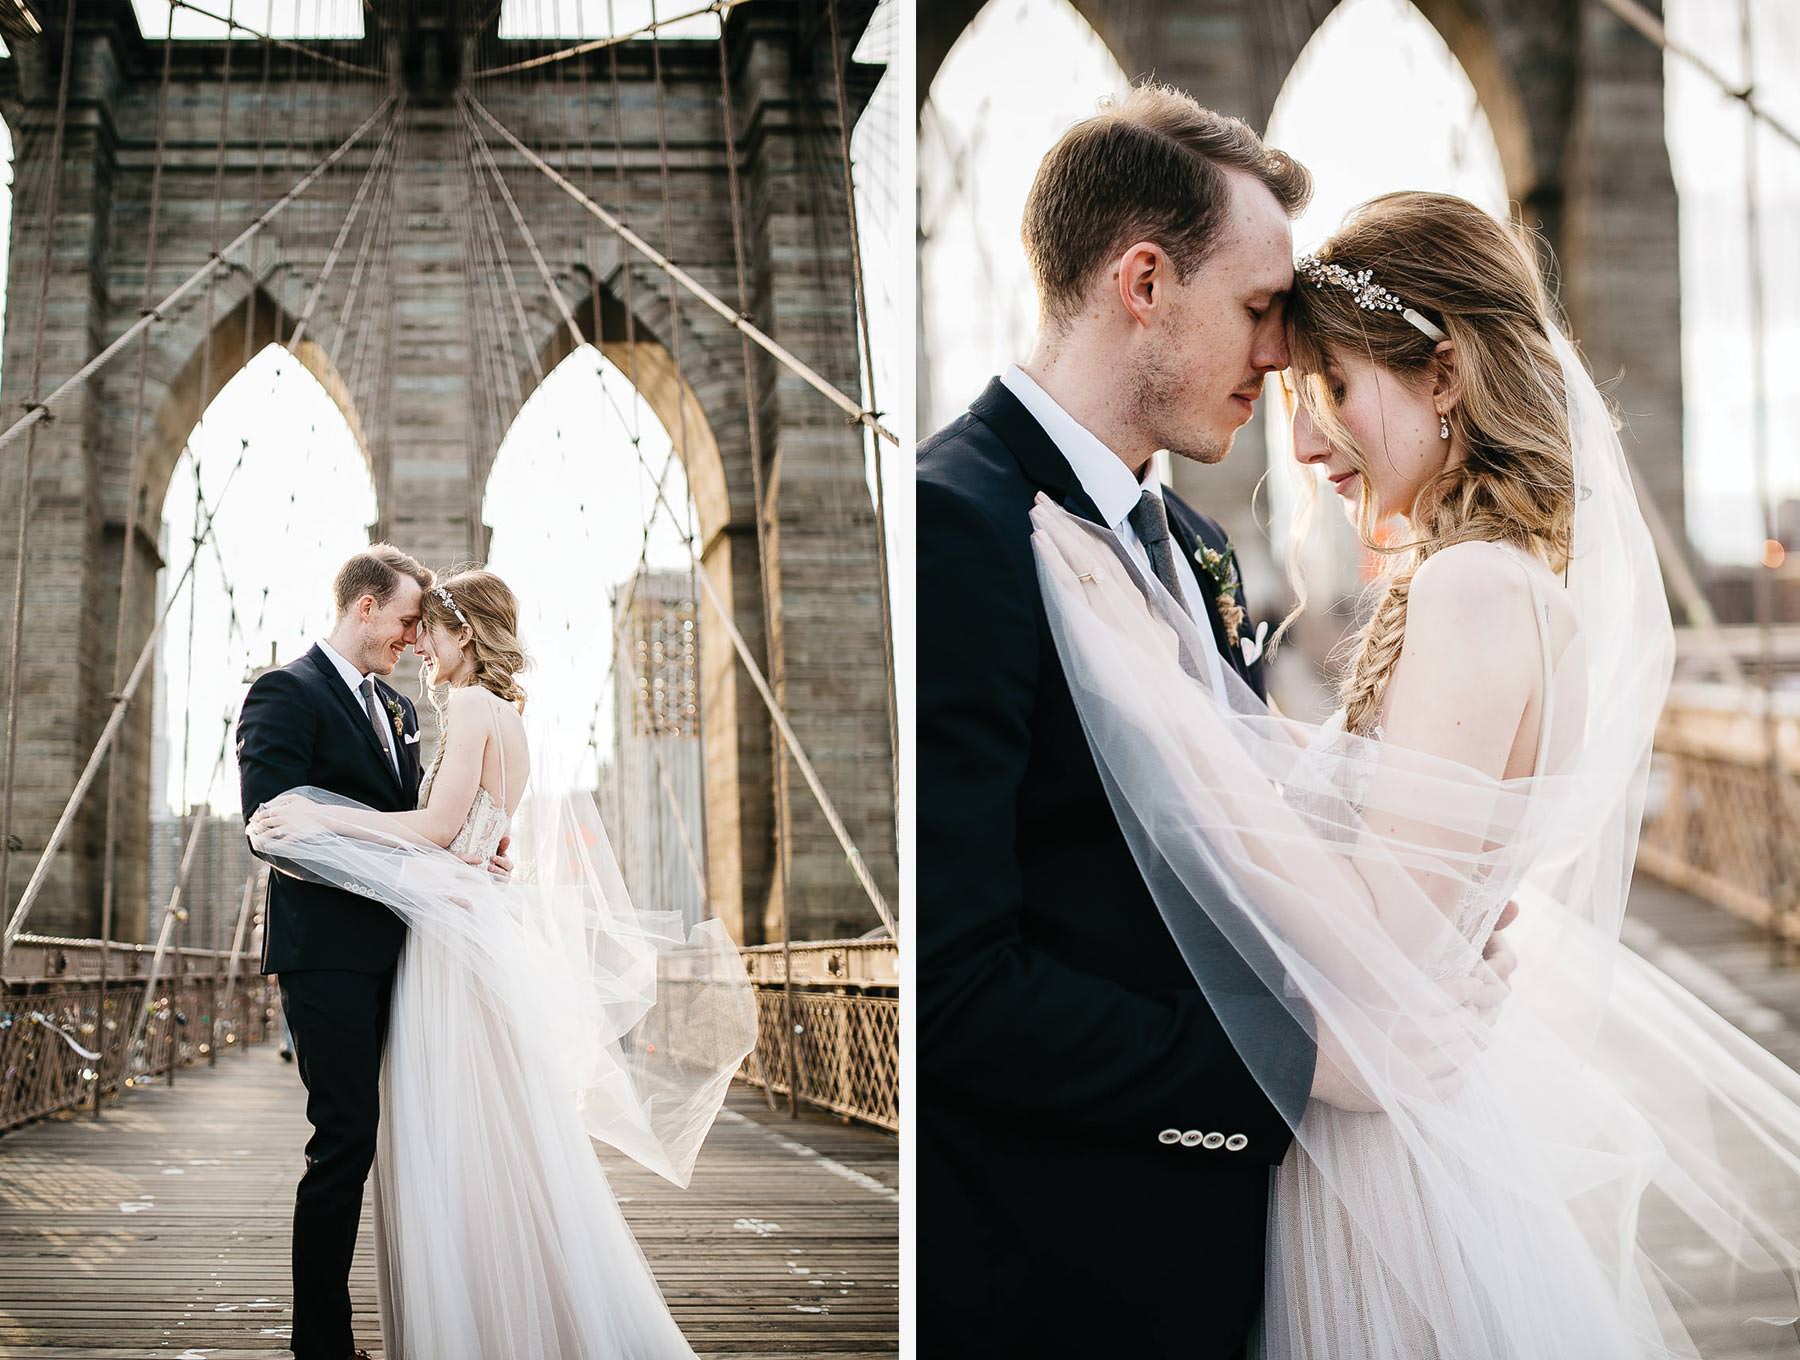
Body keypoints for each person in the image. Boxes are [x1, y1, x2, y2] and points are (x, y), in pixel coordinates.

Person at [1027, 188, 1800, 1355]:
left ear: (1442, 375)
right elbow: (1386, 824)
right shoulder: (1491, 582)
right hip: (1407, 1127)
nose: (1302, 442)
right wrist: (1197, 694)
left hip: (1382, 1167)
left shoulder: (1472, 590)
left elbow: (1377, 927)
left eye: (1333, 390)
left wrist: (1150, 702)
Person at [914, 84, 1491, 1356]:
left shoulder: (1188, 539)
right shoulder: (950, 527)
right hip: (1043, 1278)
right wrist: (1285, 1066)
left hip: (1237, 1262)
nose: (1282, 355)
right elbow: (949, 987)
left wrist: (1426, 923)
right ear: (1143, 282)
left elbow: (1231, 843)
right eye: (1258, 309)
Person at [247, 568, 755, 1359]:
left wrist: (328, 815)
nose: (418, 642)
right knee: (465, 1132)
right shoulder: (343, 697)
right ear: (366, 606)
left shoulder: (459, 708)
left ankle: (469, 1325)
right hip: (393, 945)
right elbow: (279, 825)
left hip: (441, 949)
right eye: (409, 623)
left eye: (431, 627)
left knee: (446, 1136)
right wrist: (458, 854)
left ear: (464, 635)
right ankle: (378, 1333)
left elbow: (435, 824)